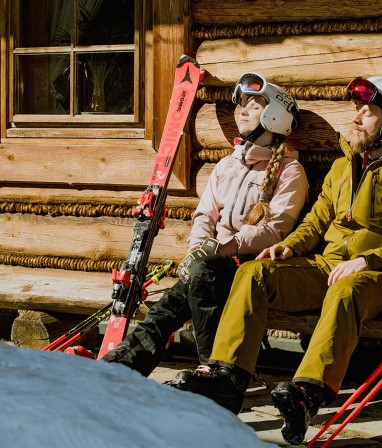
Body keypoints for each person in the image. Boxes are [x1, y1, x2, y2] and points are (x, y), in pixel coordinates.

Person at [170, 76, 382, 445]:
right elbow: (316, 221)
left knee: (347, 289)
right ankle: (226, 375)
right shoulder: (342, 167)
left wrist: (366, 261)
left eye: (369, 112)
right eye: (357, 110)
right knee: (254, 273)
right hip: (328, 264)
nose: (357, 118)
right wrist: (291, 247)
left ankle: (309, 392)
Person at [100, 72, 309, 378]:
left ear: (275, 115)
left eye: (254, 105)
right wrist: (198, 248)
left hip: (249, 262)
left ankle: (213, 371)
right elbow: (204, 215)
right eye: (243, 105)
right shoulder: (227, 165)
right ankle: (119, 369)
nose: (243, 110)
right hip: (210, 262)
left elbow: (275, 228)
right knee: (170, 305)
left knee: (202, 275)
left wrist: (220, 248)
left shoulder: (290, 171)